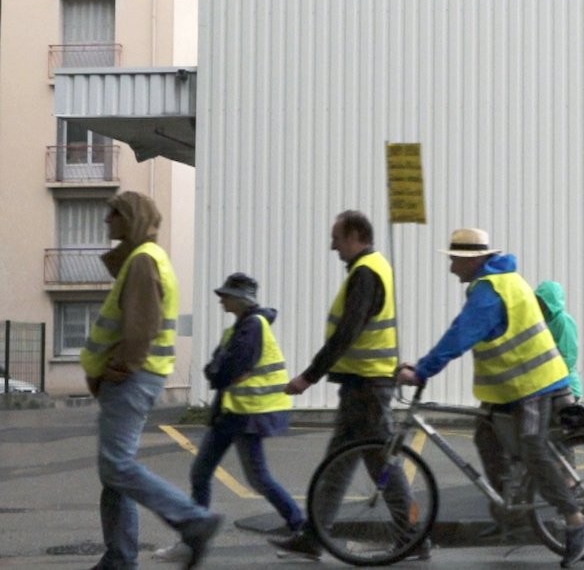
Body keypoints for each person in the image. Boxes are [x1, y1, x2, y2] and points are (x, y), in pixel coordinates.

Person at [396, 227, 584, 568]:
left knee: (532, 445)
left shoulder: (490, 293)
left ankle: (577, 521)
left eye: (455, 260)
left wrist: (421, 371)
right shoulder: (499, 282)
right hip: (511, 388)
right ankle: (512, 509)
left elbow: (458, 337)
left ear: (474, 259)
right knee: (485, 434)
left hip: (533, 384)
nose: (450, 267)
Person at [269, 210, 425, 559]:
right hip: (363, 384)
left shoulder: (366, 273)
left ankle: (413, 536)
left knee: (378, 462)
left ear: (355, 235)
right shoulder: (372, 268)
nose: (332, 246)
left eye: (336, 238)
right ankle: (315, 537)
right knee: (340, 462)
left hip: (367, 386)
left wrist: (309, 377)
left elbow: (347, 332)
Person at [81, 191, 223, 569]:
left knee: (117, 467)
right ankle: (120, 556)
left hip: (132, 378)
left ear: (130, 218)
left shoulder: (144, 262)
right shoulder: (140, 259)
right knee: (115, 473)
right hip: (133, 378)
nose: (106, 220)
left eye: (114, 214)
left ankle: (193, 520)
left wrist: (116, 369)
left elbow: (140, 329)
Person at [152, 273, 303, 562]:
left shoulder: (252, 327)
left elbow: (227, 368)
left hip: (246, 415)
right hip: (234, 413)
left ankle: (301, 528)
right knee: (212, 474)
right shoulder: (240, 328)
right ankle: (192, 541)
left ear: (241, 299)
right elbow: (216, 367)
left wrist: (219, 372)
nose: (221, 299)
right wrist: (219, 371)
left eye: (226, 295)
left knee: (247, 477)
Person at [535, 281, 583, 401]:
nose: (538, 303)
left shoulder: (563, 321)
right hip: (548, 386)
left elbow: (568, 357)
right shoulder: (541, 321)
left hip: (566, 387)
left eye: (541, 300)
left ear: (549, 301)